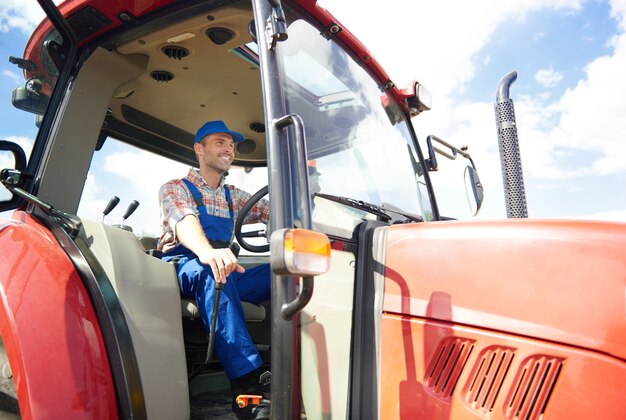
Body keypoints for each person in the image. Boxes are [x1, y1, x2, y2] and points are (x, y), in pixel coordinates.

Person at [158, 120, 271, 419]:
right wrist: (207, 252)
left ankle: (295, 365)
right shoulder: (174, 188)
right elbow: (184, 220)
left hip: (222, 267)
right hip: (182, 268)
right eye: (220, 142)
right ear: (199, 149)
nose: (229, 148)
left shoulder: (234, 196)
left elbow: (277, 211)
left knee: (282, 272)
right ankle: (247, 383)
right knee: (211, 271)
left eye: (231, 144)